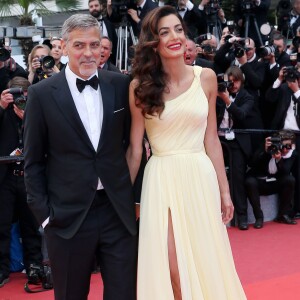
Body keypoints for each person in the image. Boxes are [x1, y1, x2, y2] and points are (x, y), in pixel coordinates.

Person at [127, 6, 246, 299]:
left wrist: (225, 191)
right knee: (173, 267)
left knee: (205, 261)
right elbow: (134, 149)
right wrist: (121, 197)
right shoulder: (139, 87)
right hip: (161, 178)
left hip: (199, 175)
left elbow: (212, 140)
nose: (175, 36)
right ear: (153, 41)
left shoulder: (205, 77)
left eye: (178, 29)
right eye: (164, 32)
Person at [23, 14, 137, 300]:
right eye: (79, 45)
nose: (88, 53)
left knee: (125, 294)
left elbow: (134, 144)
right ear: (63, 46)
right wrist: (46, 217)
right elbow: (33, 161)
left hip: (116, 213)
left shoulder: (121, 85)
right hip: (67, 218)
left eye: (94, 45)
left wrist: (132, 198)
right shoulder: (42, 94)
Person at [0, 76, 43, 287]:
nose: (19, 100)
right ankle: (2, 269)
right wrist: (1, 106)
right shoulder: (3, 113)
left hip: (28, 177)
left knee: (31, 226)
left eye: (23, 96)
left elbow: (45, 138)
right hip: (4, 178)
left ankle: (35, 265)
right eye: (14, 95)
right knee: (2, 225)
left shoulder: (34, 113)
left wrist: (29, 118)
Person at [245, 131, 297, 229]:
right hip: (259, 182)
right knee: (250, 182)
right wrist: (265, 152)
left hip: (275, 183)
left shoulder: (292, 154)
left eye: (289, 146)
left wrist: (279, 160)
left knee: (290, 180)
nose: (286, 149)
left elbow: (286, 172)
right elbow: (252, 164)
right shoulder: (265, 147)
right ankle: (259, 218)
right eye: (283, 146)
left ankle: (283, 214)